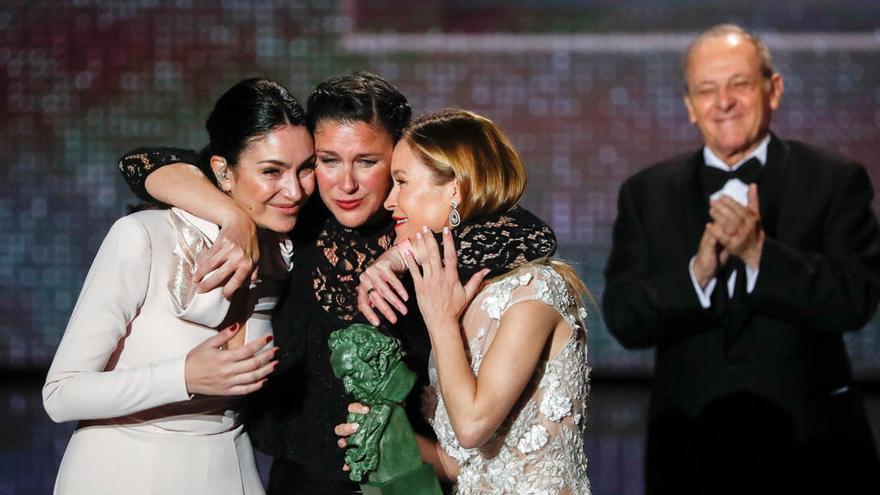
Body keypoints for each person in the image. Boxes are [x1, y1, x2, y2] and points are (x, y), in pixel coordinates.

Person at [117, 72, 559, 494]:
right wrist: (231, 215)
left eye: (367, 162)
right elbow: (145, 163)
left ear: (400, 158)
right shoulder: (295, 212)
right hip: (299, 476)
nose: (345, 183)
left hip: (410, 475)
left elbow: (532, 233)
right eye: (328, 161)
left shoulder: (422, 223)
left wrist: (398, 255)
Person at [602, 24, 880, 494]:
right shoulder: (646, 193)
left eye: (739, 84)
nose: (723, 102)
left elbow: (855, 301)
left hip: (812, 454)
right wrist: (696, 276)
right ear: (690, 106)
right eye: (706, 90)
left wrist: (759, 254)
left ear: (774, 90)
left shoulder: (834, 180)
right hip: (688, 454)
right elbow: (624, 318)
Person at [43, 78, 316, 494]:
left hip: (230, 471)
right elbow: (60, 395)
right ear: (223, 171)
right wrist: (183, 376)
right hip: (119, 473)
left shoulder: (286, 253)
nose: (294, 190)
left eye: (306, 168)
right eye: (271, 171)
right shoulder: (144, 237)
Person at [339, 109, 592, 494]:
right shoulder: (455, 290)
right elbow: (465, 465)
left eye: (401, 182)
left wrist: (440, 322)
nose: (389, 201)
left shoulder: (536, 289)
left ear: (454, 189)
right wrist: (386, 432)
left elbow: (473, 426)